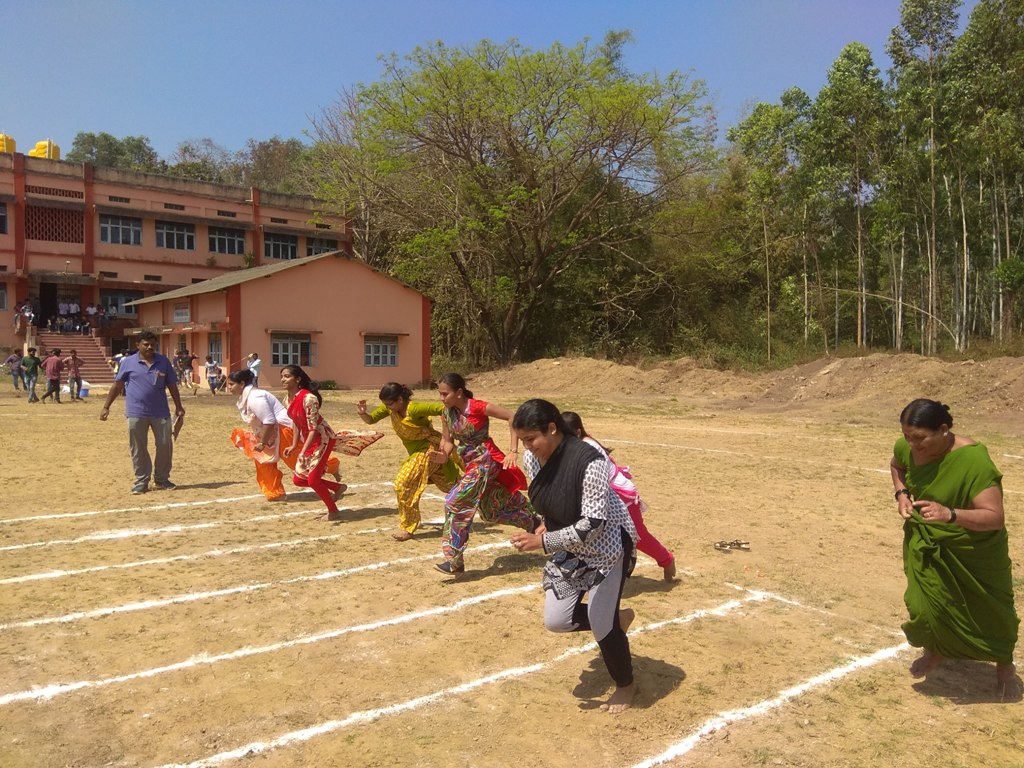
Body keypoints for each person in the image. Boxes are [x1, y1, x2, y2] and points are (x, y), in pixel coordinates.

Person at [509, 399, 639, 714]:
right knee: (557, 620)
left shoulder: (591, 461)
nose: (527, 447)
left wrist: (543, 541)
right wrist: (545, 523)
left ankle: (626, 685)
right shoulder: (532, 457)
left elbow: (593, 524)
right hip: (569, 545)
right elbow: (548, 496)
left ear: (552, 428)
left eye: (531, 439)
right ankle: (618, 619)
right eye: (523, 440)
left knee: (601, 623)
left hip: (607, 547)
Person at [891, 398, 1021, 700]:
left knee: (992, 611)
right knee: (927, 605)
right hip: (928, 541)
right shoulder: (907, 447)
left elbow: (994, 517)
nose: (912, 444)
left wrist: (949, 514)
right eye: (907, 436)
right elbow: (897, 465)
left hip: (973, 548)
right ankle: (936, 650)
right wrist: (902, 494)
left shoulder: (974, 461)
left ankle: (1004, 665)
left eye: (919, 438)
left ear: (943, 430)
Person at [429, 373, 540, 575]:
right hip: (470, 463)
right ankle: (533, 521)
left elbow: (512, 416)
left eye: (445, 394)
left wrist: (513, 451)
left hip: (486, 460)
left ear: (459, 392)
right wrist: (443, 455)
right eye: (440, 394)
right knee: (491, 511)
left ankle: (454, 561)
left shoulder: (477, 407)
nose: (441, 398)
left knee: (455, 502)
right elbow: (448, 440)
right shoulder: (446, 413)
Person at [562, 411, 677, 582]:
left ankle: (666, 559)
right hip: (605, 495)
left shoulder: (588, 447)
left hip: (620, 495)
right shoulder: (579, 445)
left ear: (578, 432)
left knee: (637, 535)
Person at [357, 382, 461, 541]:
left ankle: (408, 527)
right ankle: (481, 498)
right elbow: (371, 420)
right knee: (452, 485)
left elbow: (444, 409)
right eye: (386, 404)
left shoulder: (415, 409)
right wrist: (363, 413)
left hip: (429, 450)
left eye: (389, 404)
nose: (388, 408)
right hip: (419, 454)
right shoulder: (391, 408)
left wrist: (446, 437)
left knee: (403, 482)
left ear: (400, 399)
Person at [227, 368, 343, 502]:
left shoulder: (255, 397)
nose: (228, 387)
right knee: (263, 462)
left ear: (242, 384)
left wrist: (263, 443)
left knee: (300, 462)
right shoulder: (248, 397)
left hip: (282, 430)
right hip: (266, 433)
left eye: (231, 384)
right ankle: (275, 493)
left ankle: (331, 466)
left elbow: (269, 421)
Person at [99, 330, 185, 495]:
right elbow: (117, 385)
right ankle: (141, 481)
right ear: (137, 345)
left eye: (153, 344)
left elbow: (172, 385)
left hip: (161, 412)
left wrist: (179, 407)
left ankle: (162, 479)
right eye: (146, 344)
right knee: (138, 447)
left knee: (165, 445)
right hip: (136, 412)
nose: (150, 347)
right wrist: (106, 406)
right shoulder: (128, 362)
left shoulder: (163, 361)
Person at [281, 365, 347, 520]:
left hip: (323, 438)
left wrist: (303, 451)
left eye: (287, 376)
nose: (283, 379)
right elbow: (296, 422)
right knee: (299, 480)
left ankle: (333, 511)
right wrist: (294, 445)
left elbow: (313, 428)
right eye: (282, 376)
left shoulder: (309, 398)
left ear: (298, 379)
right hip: (310, 440)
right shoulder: (287, 400)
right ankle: (337, 487)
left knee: (313, 480)